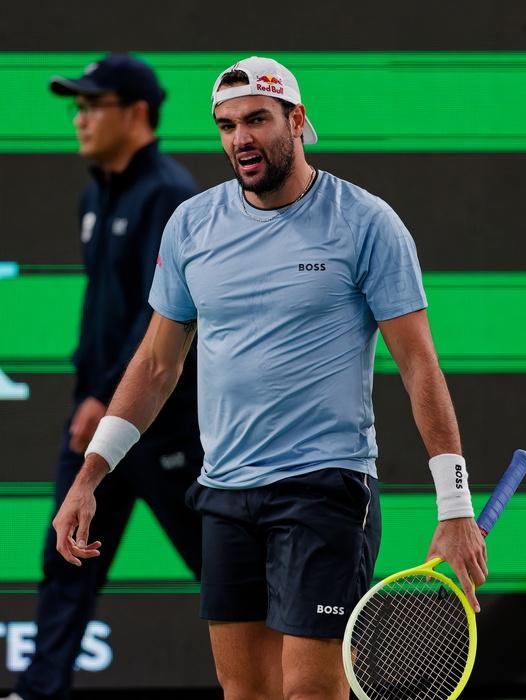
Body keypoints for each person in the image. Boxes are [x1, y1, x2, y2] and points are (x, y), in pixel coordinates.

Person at [50, 56, 488, 700]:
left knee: (309, 690)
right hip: (224, 492)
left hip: (324, 490)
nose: (240, 139)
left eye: (257, 119)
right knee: (244, 692)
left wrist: (454, 508)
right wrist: (91, 476)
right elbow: (155, 364)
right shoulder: (191, 226)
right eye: (226, 126)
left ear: (297, 120)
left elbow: (420, 366)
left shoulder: (366, 223)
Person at [3, 54, 202, 700]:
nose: (80, 118)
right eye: (76, 107)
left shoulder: (171, 195)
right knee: (65, 566)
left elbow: (160, 319)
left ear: (137, 113)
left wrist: (104, 398)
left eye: (93, 105)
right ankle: (38, 694)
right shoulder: (97, 193)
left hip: (163, 428)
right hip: (92, 424)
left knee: (229, 575)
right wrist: (89, 398)